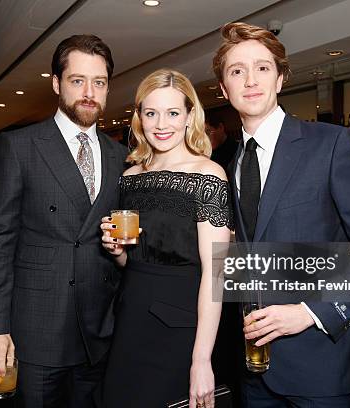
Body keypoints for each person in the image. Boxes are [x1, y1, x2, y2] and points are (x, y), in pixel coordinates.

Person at [212, 22, 350, 407]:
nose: (250, 80)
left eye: (263, 68)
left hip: (321, 367)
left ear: (280, 79)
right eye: (237, 71)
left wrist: (311, 312)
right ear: (223, 88)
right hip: (253, 370)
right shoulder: (228, 164)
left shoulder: (330, 144)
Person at [0, 34, 128, 407]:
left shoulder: (122, 156)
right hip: (38, 330)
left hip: (101, 330)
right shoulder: (20, 146)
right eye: (78, 81)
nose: (89, 92)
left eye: (99, 82)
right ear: (57, 83)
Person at [100, 69, 233, 408]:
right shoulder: (130, 176)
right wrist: (116, 251)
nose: (162, 124)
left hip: (181, 329)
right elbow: (135, 260)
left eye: (173, 113)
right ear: (139, 118)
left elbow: (215, 274)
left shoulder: (208, 174)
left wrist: (201, 360)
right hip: (130, 319)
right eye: (151, 113)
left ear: (190, 117)